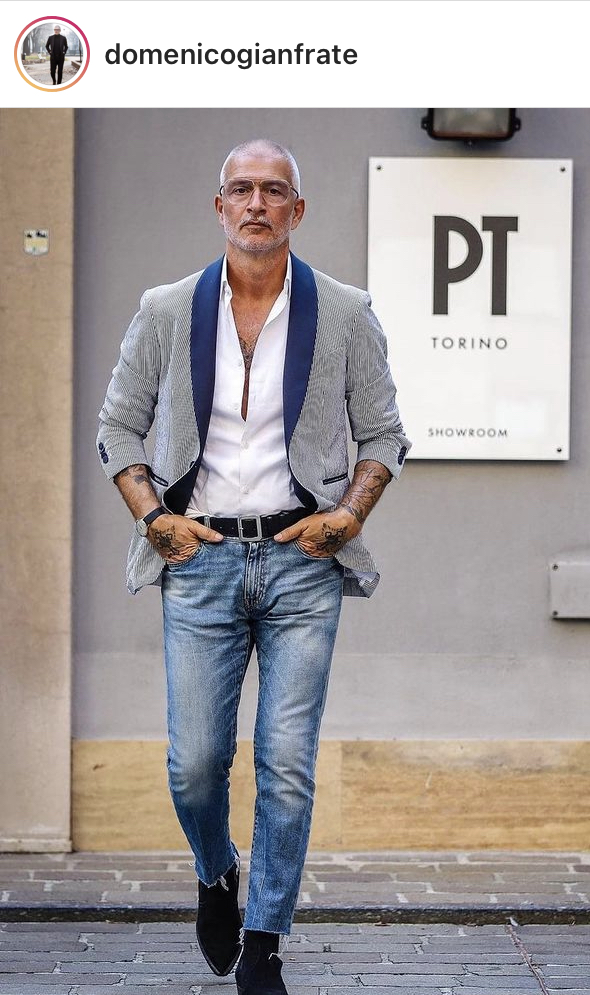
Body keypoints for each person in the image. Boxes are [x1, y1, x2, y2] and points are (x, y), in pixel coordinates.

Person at [96, 139, 410, 995]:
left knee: (287, 763)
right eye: (242, 189)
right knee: (195, 763)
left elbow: (384, 433)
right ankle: (215, 870)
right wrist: (154, 517)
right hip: (199, 558)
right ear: (220, 206)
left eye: (275, 190)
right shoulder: (167, 309)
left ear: (297, 210)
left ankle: (265, 939)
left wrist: (348, 515)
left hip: (303, 562)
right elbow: (117, 426)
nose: (258, 203)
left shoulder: (344, 311)